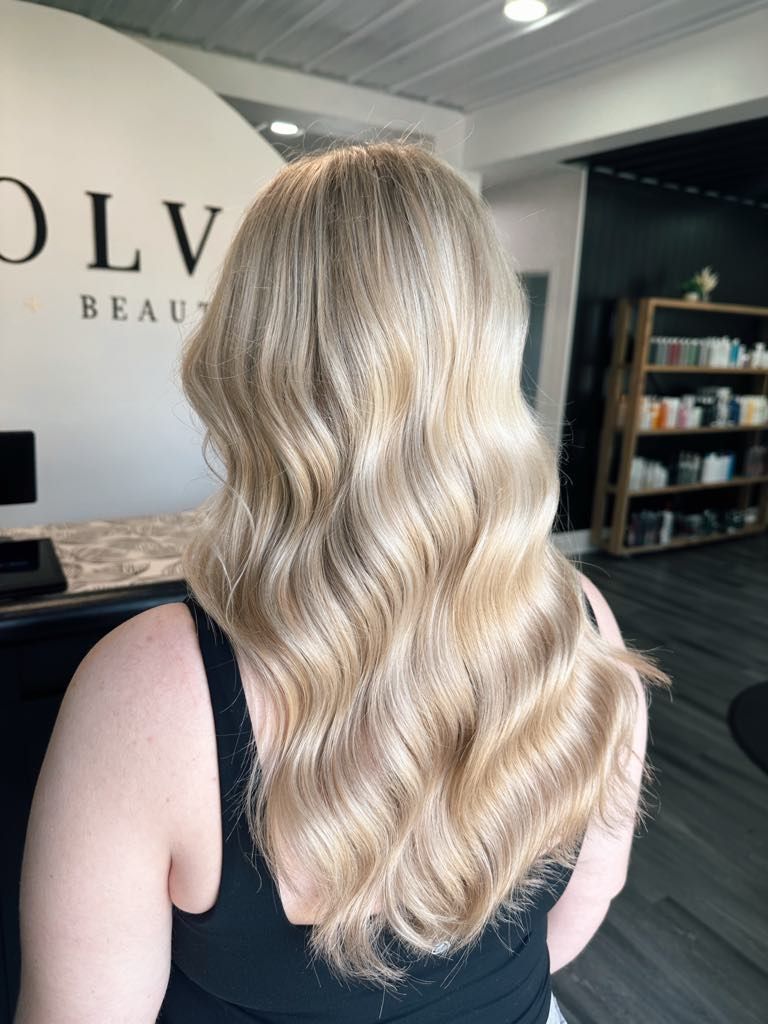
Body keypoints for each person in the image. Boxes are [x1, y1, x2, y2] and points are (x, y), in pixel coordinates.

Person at [14, 140, 672, 1024]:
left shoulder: (146, 693)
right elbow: (587, 898)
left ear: (245, 356)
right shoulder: (584, 623)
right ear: (487, 344)